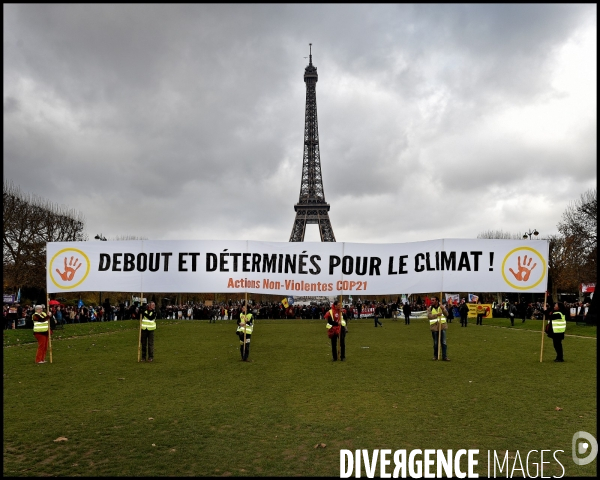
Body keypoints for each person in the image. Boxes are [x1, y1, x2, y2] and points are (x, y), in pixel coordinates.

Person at [428, 296, 449, 361]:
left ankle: (444, 356)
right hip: (434, 327)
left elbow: (447, 314)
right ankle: (435, 356)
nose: (432, 301)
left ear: (437, 301)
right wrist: (437, 315)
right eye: (431, 300)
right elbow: (429, 316)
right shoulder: (430, 308)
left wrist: (443, 309)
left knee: (443, 342)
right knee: (436, 343)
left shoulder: (441, 307)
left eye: (433, 300)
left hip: (442, 326)